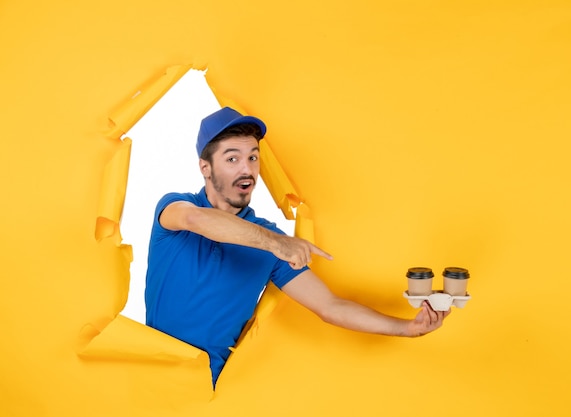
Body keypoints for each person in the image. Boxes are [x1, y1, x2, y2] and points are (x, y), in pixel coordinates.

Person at [145, 107, 451, 387]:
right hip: (149, 374)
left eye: (253, 157)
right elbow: (196, 219)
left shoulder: (272, 242)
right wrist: (276, 242)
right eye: (232, 158)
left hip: (208, 388)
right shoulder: (175, 207)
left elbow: (330, 307)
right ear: (205, 167)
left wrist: (407, 328)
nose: (247, 170)